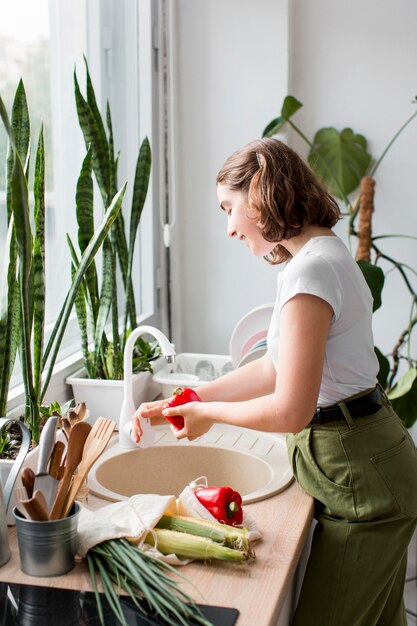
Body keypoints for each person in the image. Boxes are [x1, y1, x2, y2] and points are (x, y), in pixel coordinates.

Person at [132, 137, 417, 626]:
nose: (227, 228)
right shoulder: (314, 257)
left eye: (228, 208)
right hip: (366, 463)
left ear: (260, 191)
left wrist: (206, 415)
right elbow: (271, 368)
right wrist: (197, 395)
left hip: (362, 480)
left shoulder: (311, 273)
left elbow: (290, 410)